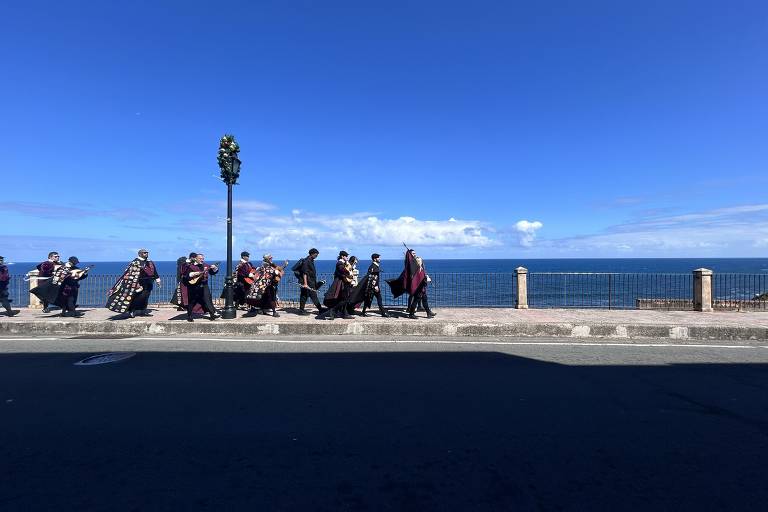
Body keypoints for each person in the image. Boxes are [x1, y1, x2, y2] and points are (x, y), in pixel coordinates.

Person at [106, 249, 161, 318]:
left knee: (145, 297)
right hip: (139, 282)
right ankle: (132, 311)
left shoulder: (149, 262)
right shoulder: (135, 262)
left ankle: (143, 310)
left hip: (149, 282)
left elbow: (154, 271)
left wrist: (157, 280)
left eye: (147, 253)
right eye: (144, 253)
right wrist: (136, 283)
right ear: (140, 254)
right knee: (137, 297)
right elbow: (130, 273)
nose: (146, 254)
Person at [386, 248, 436, 319]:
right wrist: (426, 279)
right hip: (418, 288)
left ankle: (428, 312)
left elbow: (422, 277)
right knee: (415, 301)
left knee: (424, 299)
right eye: (420, 261)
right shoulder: (414, 267)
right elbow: (418, 279)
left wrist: (425, 277)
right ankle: (411, 313)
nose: (421, 262)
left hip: (421, 288)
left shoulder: (420, 268)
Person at [183, 253, 219, 322]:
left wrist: (215, 268)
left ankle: (212, 314)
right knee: (192, 301)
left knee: (207, 300)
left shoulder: (205, 265)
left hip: (204, 285)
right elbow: (187, 275)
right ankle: (189, 315)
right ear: (196, 258)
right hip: (194, 286)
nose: (202, 260)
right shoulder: (191, 266)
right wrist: (195, 273)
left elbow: (212, 272)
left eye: (203, 259)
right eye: (200, 259)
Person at [319, 251, 354, 320]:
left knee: (343, 299)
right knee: (344, 299)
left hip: (343, 283)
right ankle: (333, 310)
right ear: (342, 256)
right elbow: (343, 270)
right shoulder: (339, 263)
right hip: (340, 284)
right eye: (346, 256)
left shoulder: (343, 263)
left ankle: (344, 313)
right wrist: (349, 272)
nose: (347, 257)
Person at [297, 248, 326, 315]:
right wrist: (305, 284)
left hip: (310, 281)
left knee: (305, 296)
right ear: (312, 254)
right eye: (316, 255)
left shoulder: (311, 260)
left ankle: (302, 310)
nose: (317, 256)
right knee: (312, 295)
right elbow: (305, 273)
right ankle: (320, 309)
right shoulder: (306, 261)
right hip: (308, 282)